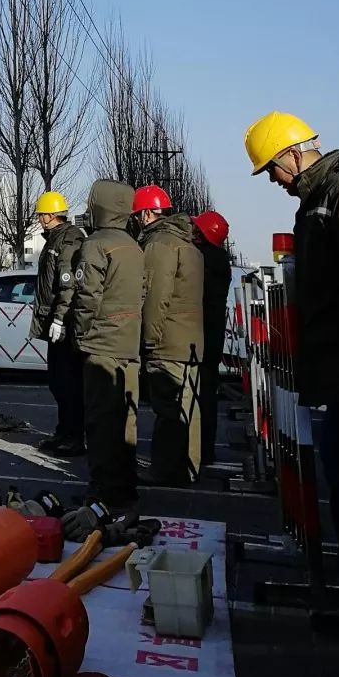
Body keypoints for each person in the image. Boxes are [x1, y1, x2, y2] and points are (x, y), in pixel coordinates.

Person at [245, 111, 339, 562]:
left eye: (273, 170)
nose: (274, 181)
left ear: (292, 153)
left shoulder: (337, 194)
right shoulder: (317, 199)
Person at [70, 180, 143, 512]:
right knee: (126, 418)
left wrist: (80, 335)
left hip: (101, 343)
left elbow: (87, 297)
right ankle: (125, 484)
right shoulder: (134, 245)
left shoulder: (95, 245)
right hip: (129, 343)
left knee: (100, 421)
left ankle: (102, 491)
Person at [136, 184, 204, 486]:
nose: (137, 221)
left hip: (167, 342)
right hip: (190, 341)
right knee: (189, 407)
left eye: (139, 215)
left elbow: (155, 297)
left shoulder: (159, 244)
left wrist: (148, 340)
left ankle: (165, 470)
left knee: (168, 410)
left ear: (149, 213)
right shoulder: (188, 243)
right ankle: (190, 467)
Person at [29, 191, 86, 456]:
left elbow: (67, 284)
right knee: (58, 382)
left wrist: (61, 318)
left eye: (41, 214)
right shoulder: (56, 239)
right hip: (55, 319)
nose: (39, 219)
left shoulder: (68, 239)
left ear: (52, 215)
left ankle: (74, 436)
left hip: (64, 323)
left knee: (67, 383)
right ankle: (64, 432)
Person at [192, 210, 231, 466]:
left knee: (199, 396)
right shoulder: (219, 261)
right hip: (212, 337)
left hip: (201, 335)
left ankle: (200, 450)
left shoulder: (203, 261)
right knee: (208, 394)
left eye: (197, 230)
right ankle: (206, 450)